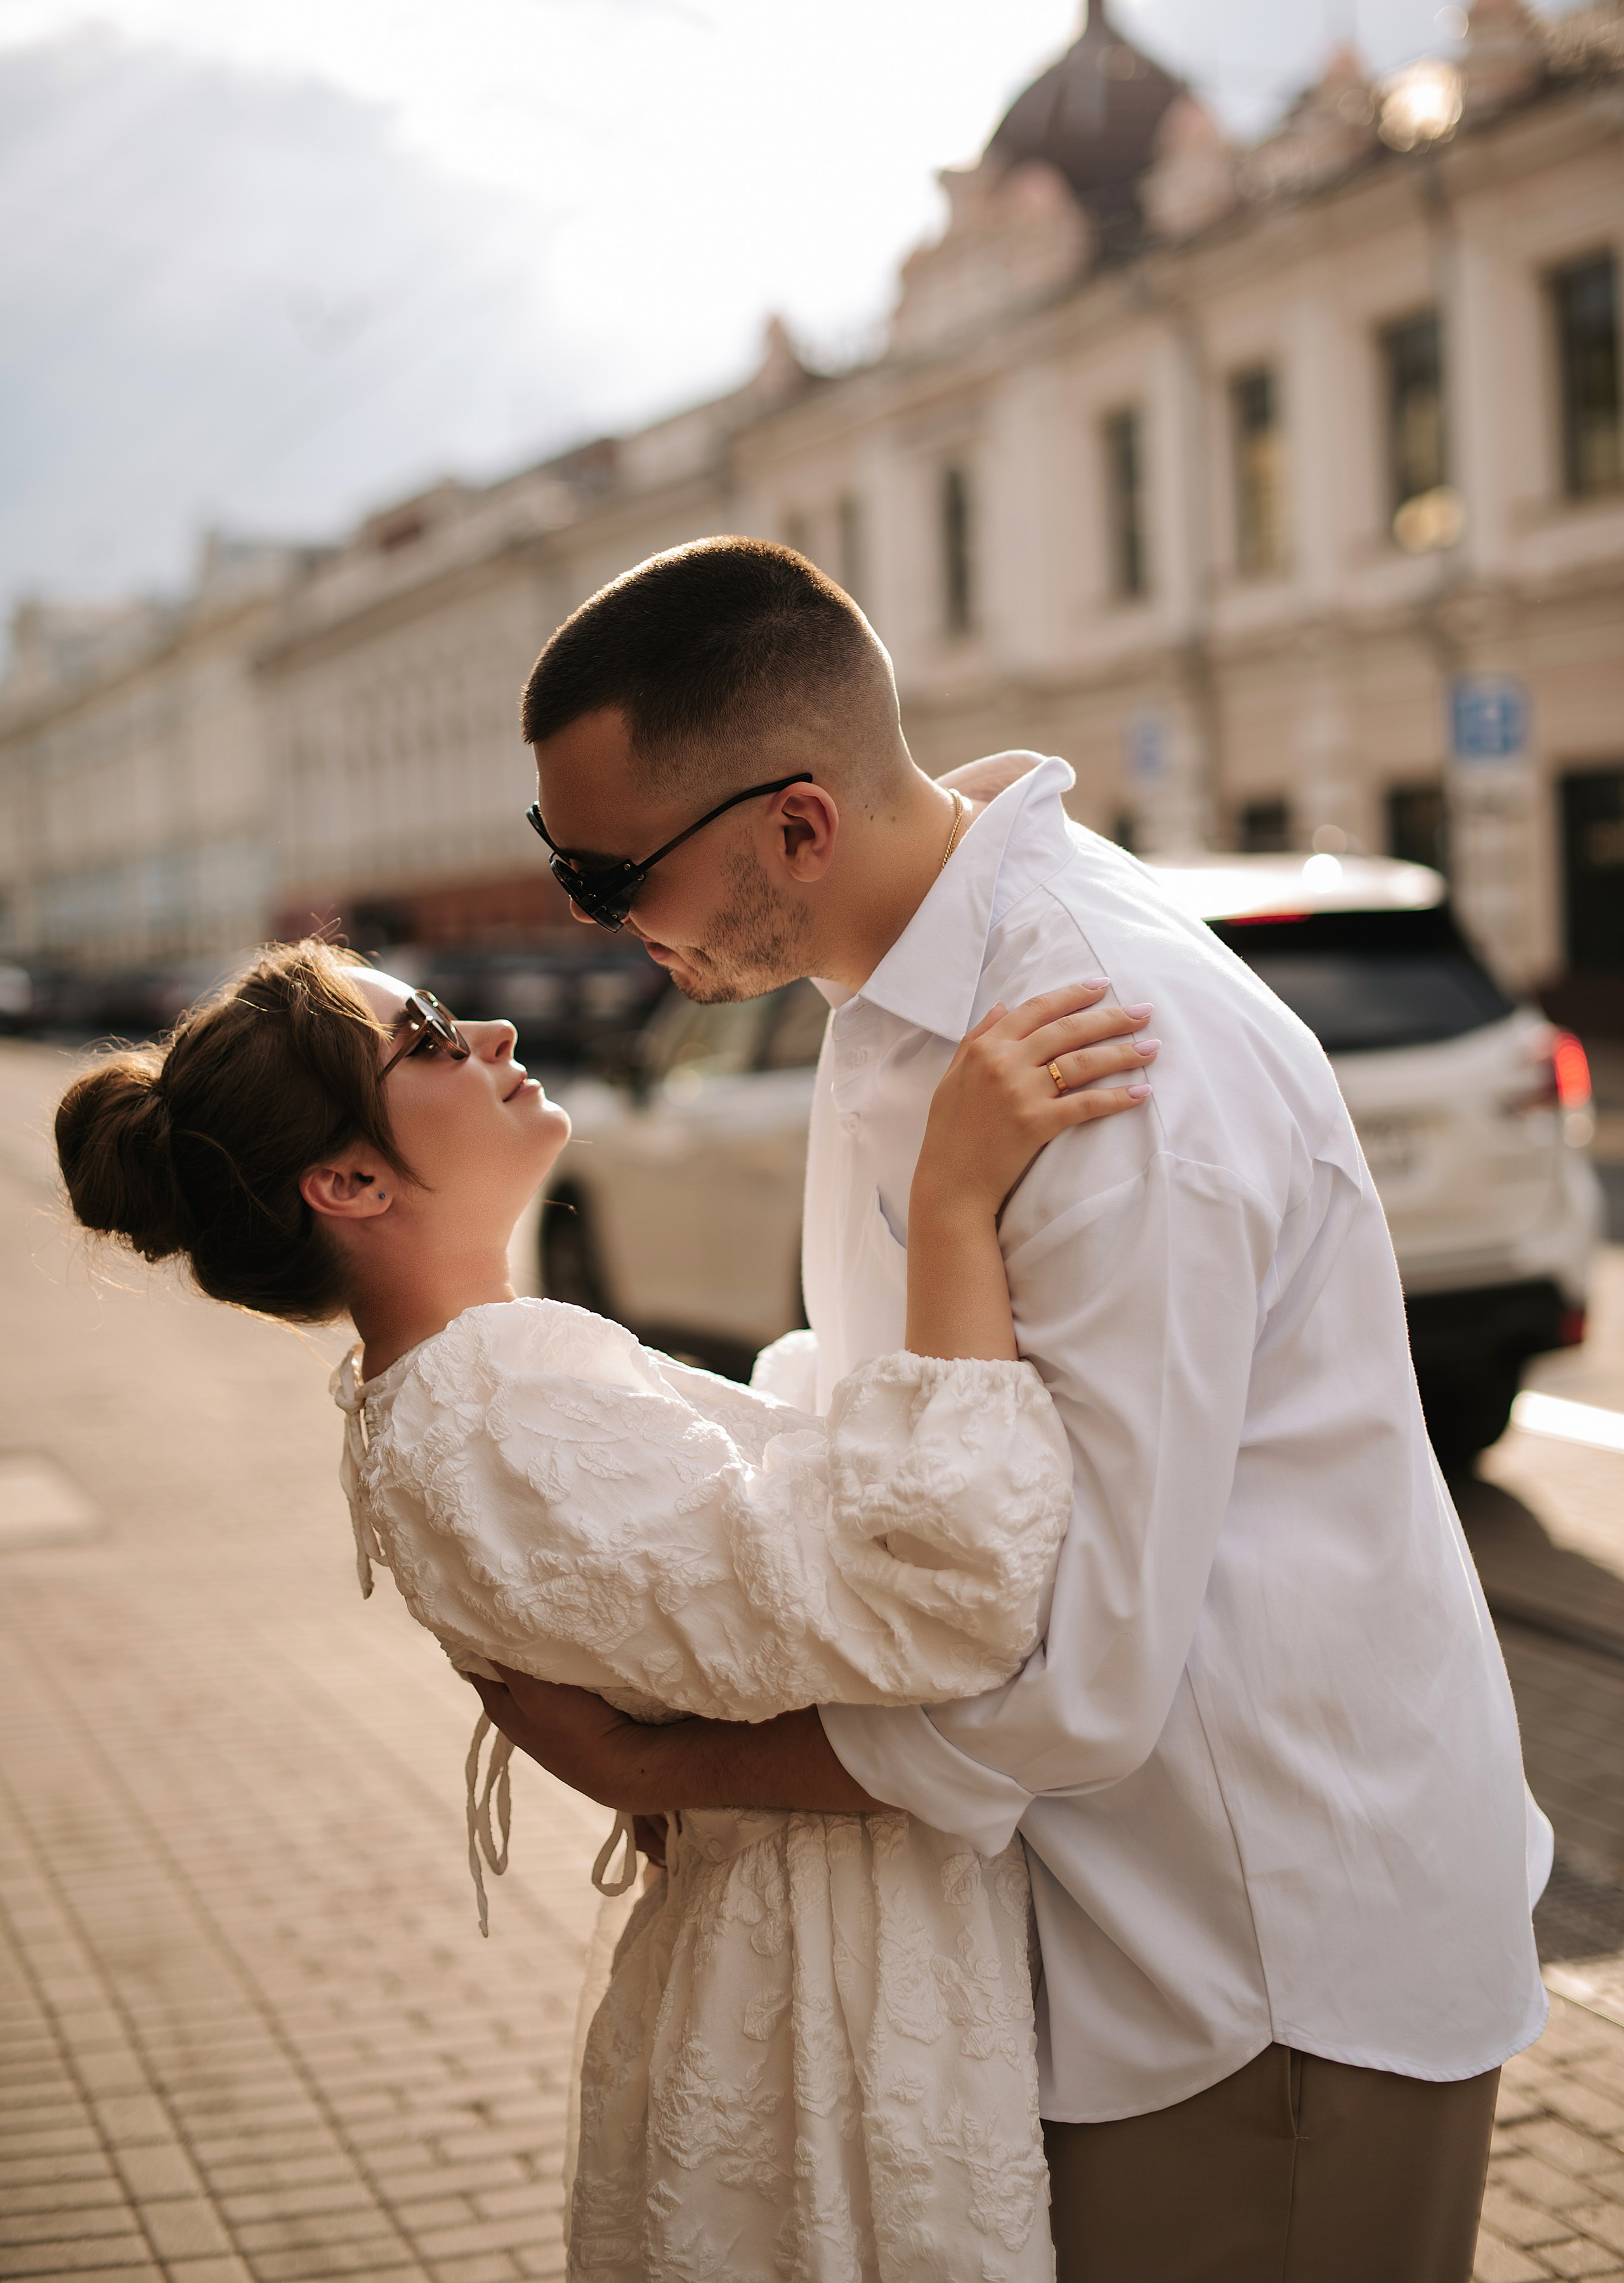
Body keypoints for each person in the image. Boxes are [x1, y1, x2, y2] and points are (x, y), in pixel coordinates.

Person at [490, 536, 1552, 2283]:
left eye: (608, 880)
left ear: (798, 827)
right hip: (1120, 1931)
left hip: (1259, 1958)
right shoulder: (893, 996)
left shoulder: (1103, 1060)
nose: (593, 921)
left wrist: (662, 1759)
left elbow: (1079, 1677)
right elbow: (900, 1440)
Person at [54, 936, 1153, 2283]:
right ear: (347, 1180)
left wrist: (651, 1763)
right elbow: (948, 1600)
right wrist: (951, 1199)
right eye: (435, 1036)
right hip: (830, 1996)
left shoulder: (461, 1387)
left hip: (806, 1958)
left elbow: (767, 1580)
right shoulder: (495, 1408)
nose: (499, 1035)